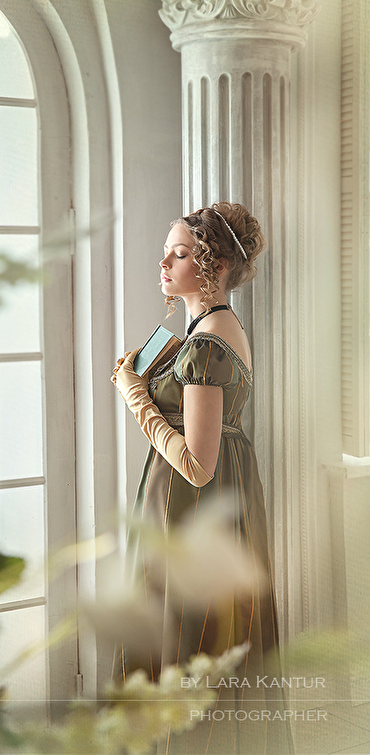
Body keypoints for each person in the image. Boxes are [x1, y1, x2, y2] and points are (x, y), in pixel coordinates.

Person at [111, 202, 293, 754]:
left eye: (181, 253)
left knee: (191, 634)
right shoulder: (204, 329)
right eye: (167, 251)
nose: (164, 262)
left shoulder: (208, 343)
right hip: (208, 501)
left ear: (216, 265)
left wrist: (138, 398)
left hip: (194, 506)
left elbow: (196, 463)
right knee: (199, 634)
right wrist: (160, 368)